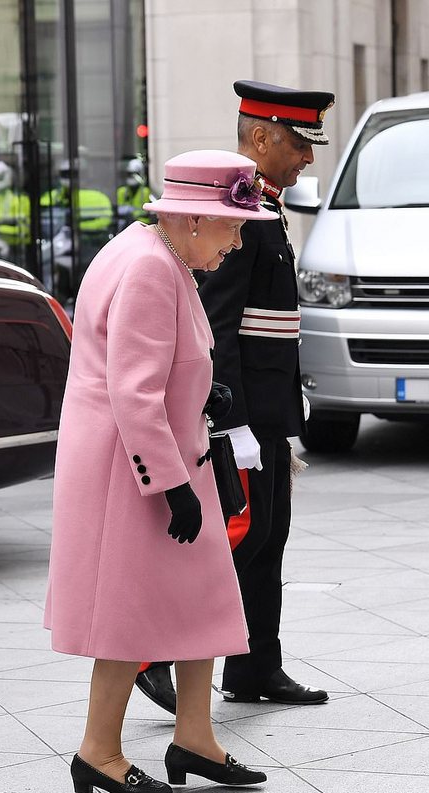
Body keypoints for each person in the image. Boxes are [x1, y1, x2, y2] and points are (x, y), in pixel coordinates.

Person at [45, 149, 275, 793]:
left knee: (201, 598)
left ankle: (194, 739)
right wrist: (171, 486)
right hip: (139, 470)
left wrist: (204, 396)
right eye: (233, 226)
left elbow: (158, 365)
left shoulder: (150, 250)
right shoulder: (150, 267)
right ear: (195, 220)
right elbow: (134, 391)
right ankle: (98, 753)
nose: (236, 242)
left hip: (161, 455)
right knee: (131, 612)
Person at [135, 81, 335, 714]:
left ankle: (255, 666)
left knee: (267, 538)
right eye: (300, 143)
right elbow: (217, 329)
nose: (308, 157)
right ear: (260, 137)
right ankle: (150, 653)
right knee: (236, 539)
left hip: (270, 411)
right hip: (245, 416)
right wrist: (235, 426)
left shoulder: (266, 206)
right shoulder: (239, 213)